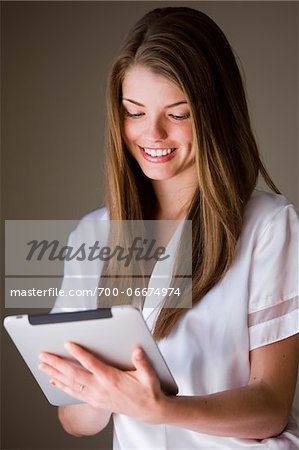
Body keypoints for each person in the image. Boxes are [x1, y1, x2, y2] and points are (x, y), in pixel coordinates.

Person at [38, 7, 299, 449]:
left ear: (214, 114)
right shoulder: (93, 236)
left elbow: (270, 407)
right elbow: (75, 421)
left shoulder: (268, 227)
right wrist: (100, 390)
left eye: (177, 114)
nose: (152, 133)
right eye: (134, 111)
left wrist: (159, 407)